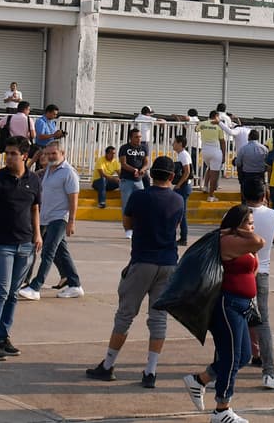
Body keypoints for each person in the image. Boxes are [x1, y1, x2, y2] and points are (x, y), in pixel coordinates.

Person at [86, 156, 184, 387]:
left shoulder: (140, 196)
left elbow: (127, 223)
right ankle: (150, 371)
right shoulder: (178, 200)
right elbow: (177, 227)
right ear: (171, 177)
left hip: (143, 260)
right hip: (168, 262)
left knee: (125, 315)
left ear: (153, 175)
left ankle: (109, 365)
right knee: (158, 318)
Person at [182, 203, 266, 423]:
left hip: (242, 305)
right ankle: (222, 409)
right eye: (249, 223)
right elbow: (260, 242)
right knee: (230, 358)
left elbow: (252, 265)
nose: (252, 227)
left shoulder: (237, 240)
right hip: (227, 306)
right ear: (237, 224)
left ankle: (200, 380)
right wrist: (236, 231)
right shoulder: (227, 240)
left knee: (245, 355)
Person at [0, 137, 41, 360]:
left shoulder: (33, 180)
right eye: (7, 153)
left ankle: (4, 337)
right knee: (1, 293)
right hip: (2, 245)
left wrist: (38, 234)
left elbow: (34, 209)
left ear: (24, 155)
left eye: (14, 153)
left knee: (13, 294)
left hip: (25, 244)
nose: (9, 157)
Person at [15, 142, 83, 301]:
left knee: (48, 251)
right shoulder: (49, 171)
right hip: (45, 216)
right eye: (48, 154)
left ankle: (35, 286)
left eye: (54, 153)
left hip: (59, 218)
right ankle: (75, 284)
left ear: (63, 153)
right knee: (61, 252)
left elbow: (74, 199)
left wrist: (71, 221)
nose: (51, 156)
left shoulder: (68, 173)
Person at [242, 179, 274, 389]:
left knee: (231, 319)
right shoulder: (272, 214)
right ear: (264, 194)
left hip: (240, 272)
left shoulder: (237, 213)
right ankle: (269, 372)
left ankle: (222, 369)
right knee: (263, 322)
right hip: (262, 271)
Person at [119, 128, 152, 234]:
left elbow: (147, 162)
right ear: (131, 138)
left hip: (139, 180)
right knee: (126, 204)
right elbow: (123, 163)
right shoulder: (124, 148)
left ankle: (138, 226)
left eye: (140, 137)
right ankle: (128, 229)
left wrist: (142, 170)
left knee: (140, 204)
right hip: (126, 180)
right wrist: (134, 170)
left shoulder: (144, 148)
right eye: (136, 137)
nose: (138, 139)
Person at [198, 111, 226, 199]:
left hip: (205, 151)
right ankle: (211, 195)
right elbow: (222, 142)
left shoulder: (202, 123)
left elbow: (196, 129)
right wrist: (224, 155)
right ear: (216, 116)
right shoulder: (218, 126)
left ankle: (205, 186)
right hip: (215, 151)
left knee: (210, 168)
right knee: (215, 174)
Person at [172, 135, 193, 246]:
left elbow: (187, 172)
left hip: (183, 187)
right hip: (182, 186)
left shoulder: (184, 155)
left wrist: (178, 185)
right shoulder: (181, 155)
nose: (173, 144)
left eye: (174, 142)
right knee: (180, 212)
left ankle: (183, 237)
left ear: (180, 143)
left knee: (181, 213)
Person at [234, 130, 269, 195]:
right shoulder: (264, 149)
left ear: (249, 137)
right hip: (260, 174)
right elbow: (267, 162)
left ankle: (244, 200)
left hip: (247, 174)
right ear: (258, 138)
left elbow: (238, 163)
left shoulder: (243, 149)